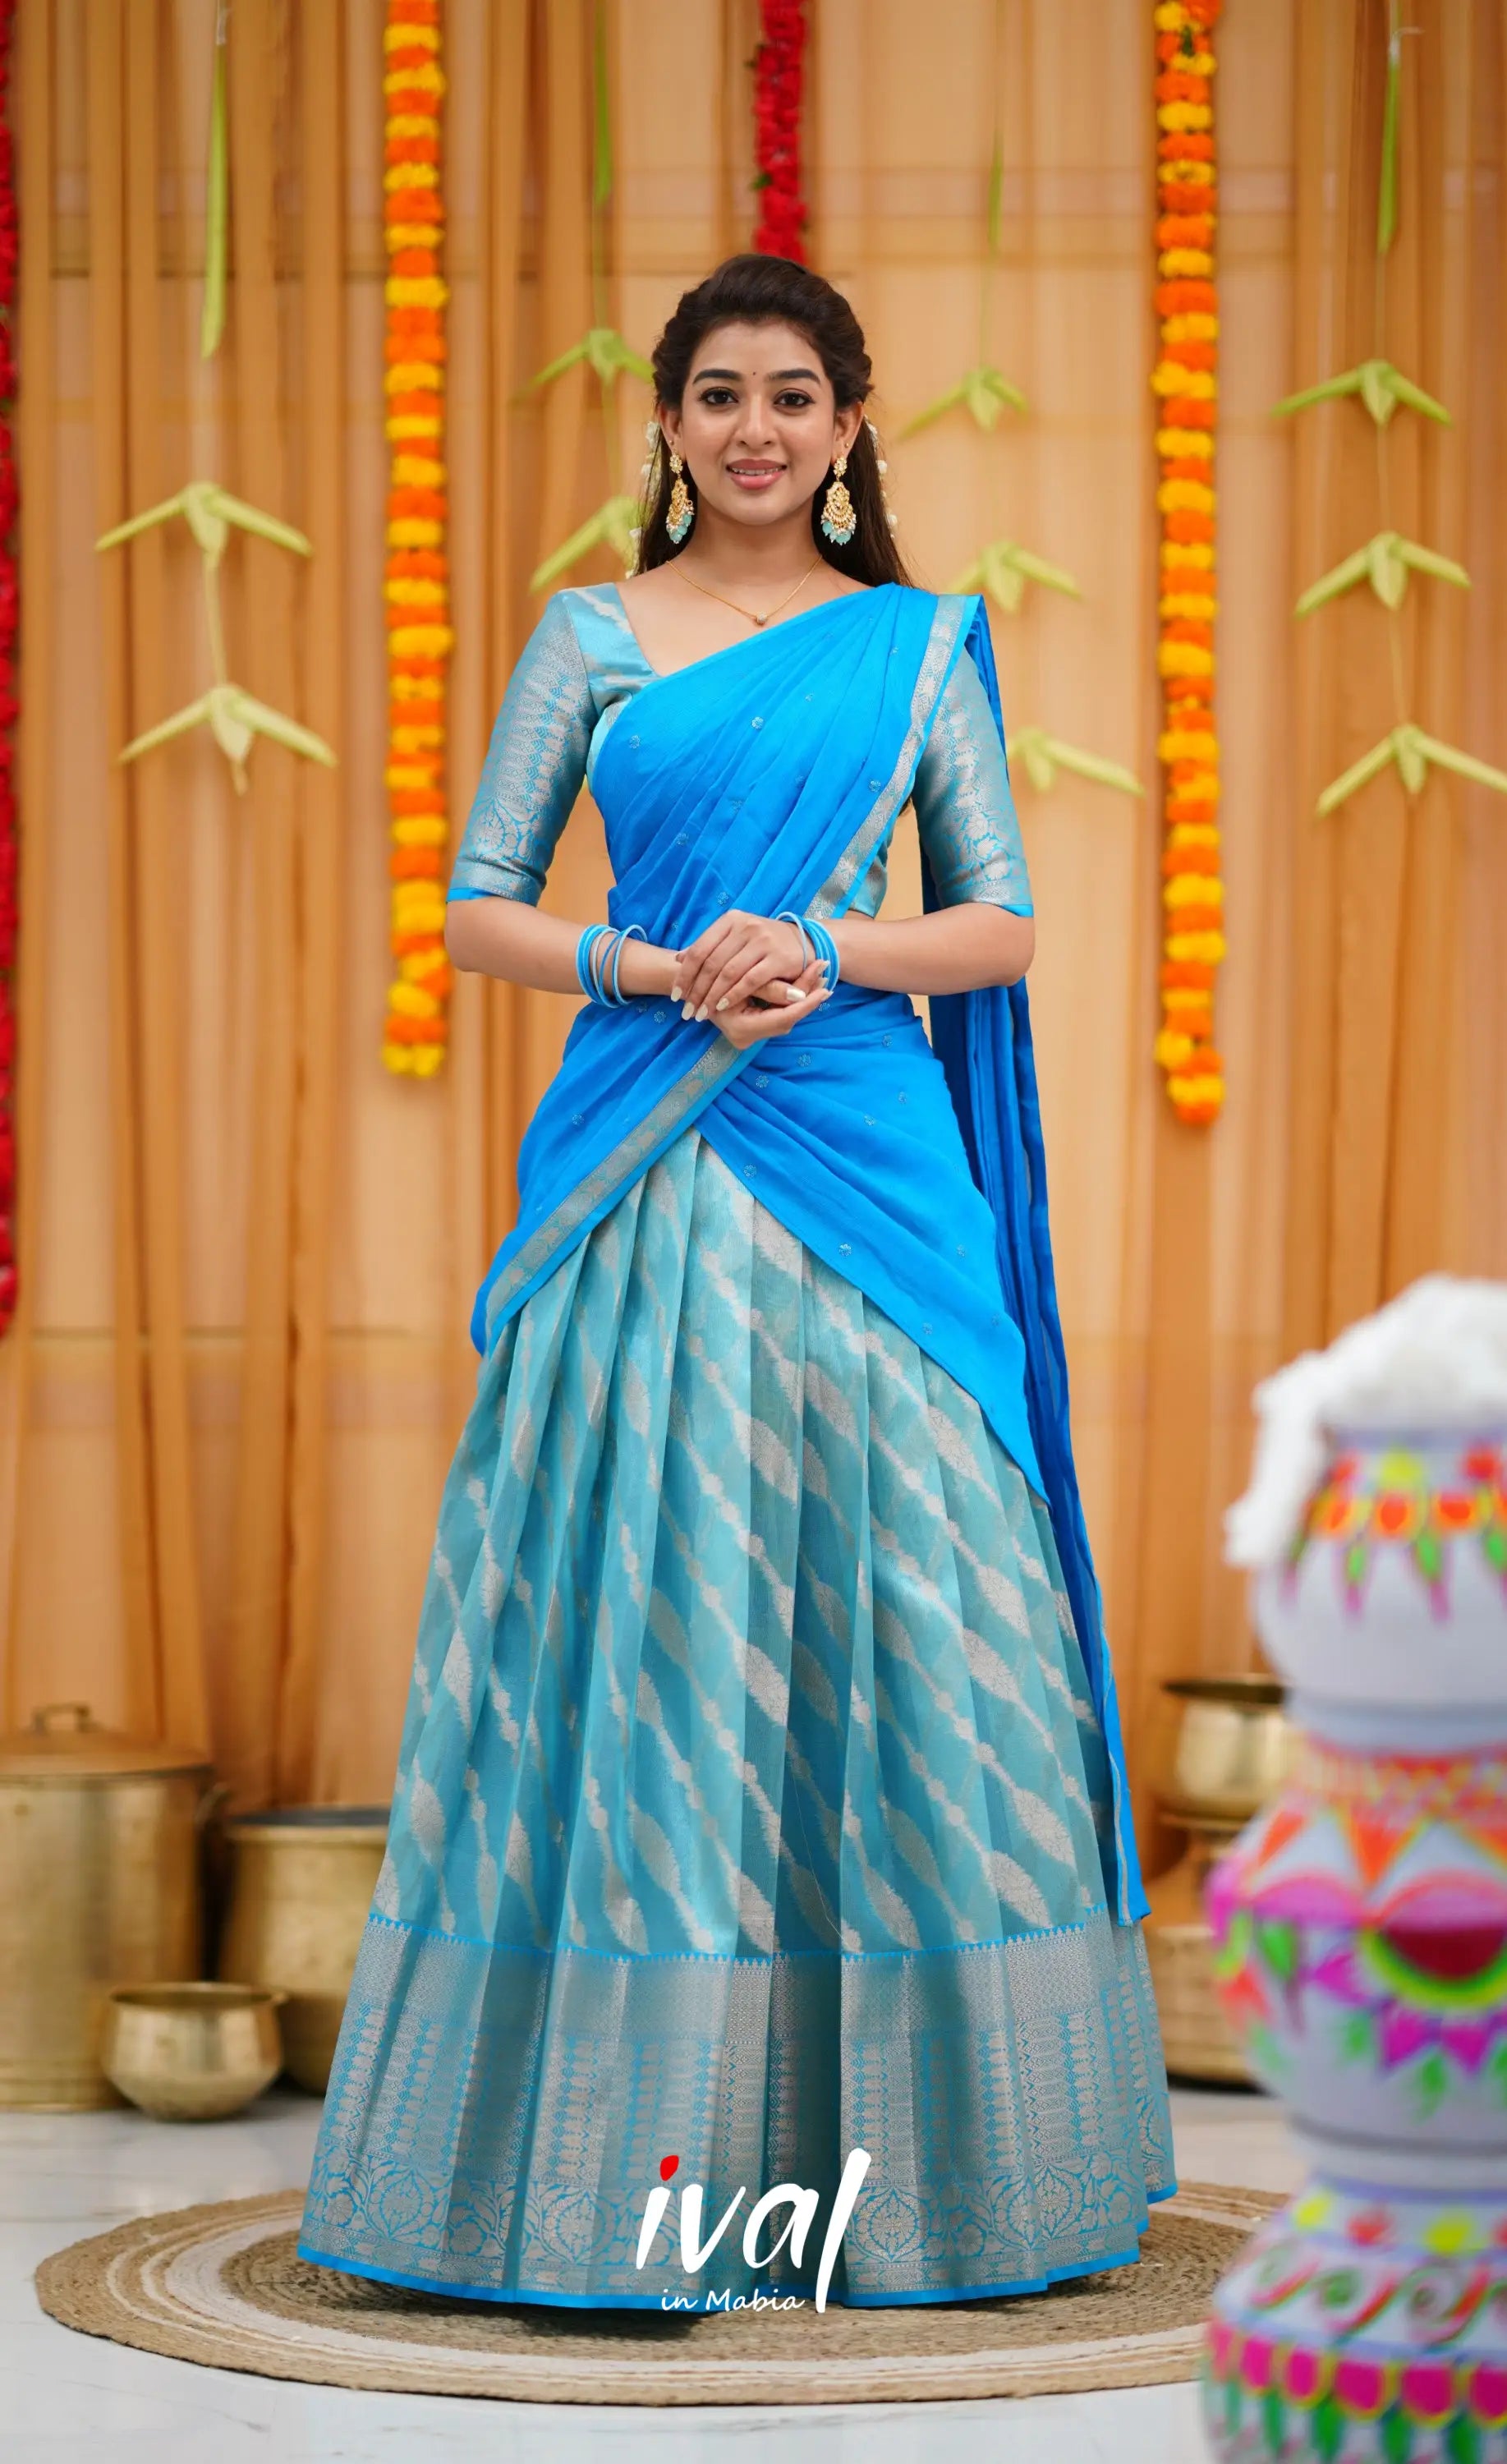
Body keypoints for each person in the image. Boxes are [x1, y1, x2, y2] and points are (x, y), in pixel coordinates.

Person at [300, 253, 1174, 2312]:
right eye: (718, 394)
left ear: (850, 426)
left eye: (793, 394)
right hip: (647, 1153)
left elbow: (999, 925)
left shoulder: (918, 644)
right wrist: (650, 964)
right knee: (648, 1609)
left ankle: (945, 2176)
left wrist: (820, 945)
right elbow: (481, 907)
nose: (756, 428)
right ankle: (627, 2173)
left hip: (865, 1146)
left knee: (930, 1608)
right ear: (669, 422)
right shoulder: (591, 637)